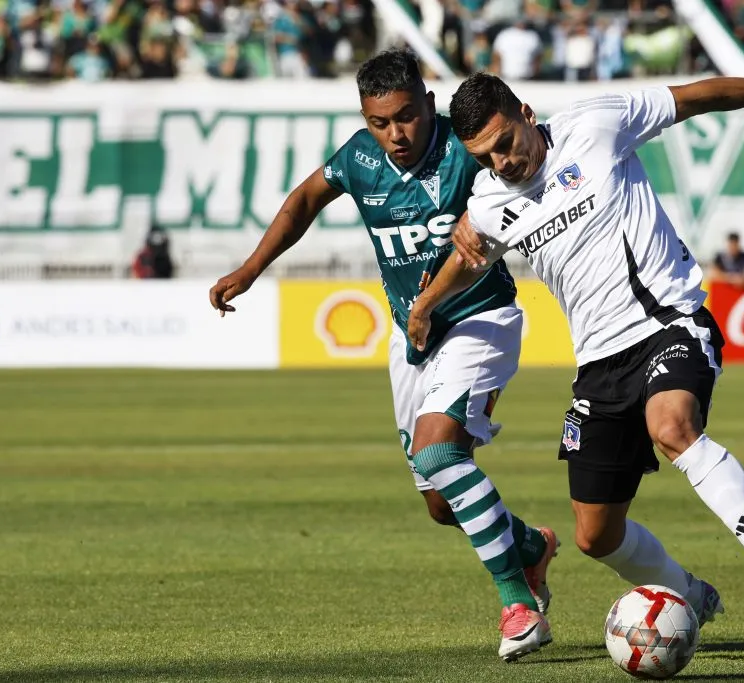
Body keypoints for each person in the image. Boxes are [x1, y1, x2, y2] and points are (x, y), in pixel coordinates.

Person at [409, 70, 744, 635]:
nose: (501, 162)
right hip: (598, 363)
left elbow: (699, 97)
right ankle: (691, 594)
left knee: (671, 426)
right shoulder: (490, 200)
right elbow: (470, 254)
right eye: (484, 157)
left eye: (504, 143)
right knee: (594, 536)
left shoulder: (596, 123)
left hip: (668, 323)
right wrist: (426, 303)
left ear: (526, 113)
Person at [208, 49, 558, 662]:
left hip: (481, 320)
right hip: (412, 338)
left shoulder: (466, 150)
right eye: (379, 122)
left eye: (406, 116)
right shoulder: (359, 158)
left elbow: (532, 180)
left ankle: (519, 606)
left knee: (439, 453)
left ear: (428, 103)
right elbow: (304, 200)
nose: (395, 133)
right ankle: (529, 547)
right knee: (440, 502)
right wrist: (252, 267)